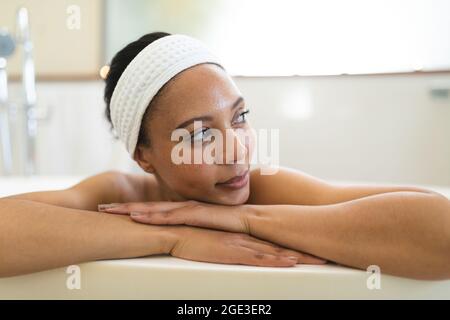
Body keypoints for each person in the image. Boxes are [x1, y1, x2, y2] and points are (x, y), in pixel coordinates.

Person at [1, 32, 449, 280]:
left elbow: (440, 229)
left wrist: (245, 219)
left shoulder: (270, 188)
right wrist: (171, 237)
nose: (235, 149)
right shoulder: (121, 193)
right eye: (198, 135)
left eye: (239, 118)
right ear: (144, 155)